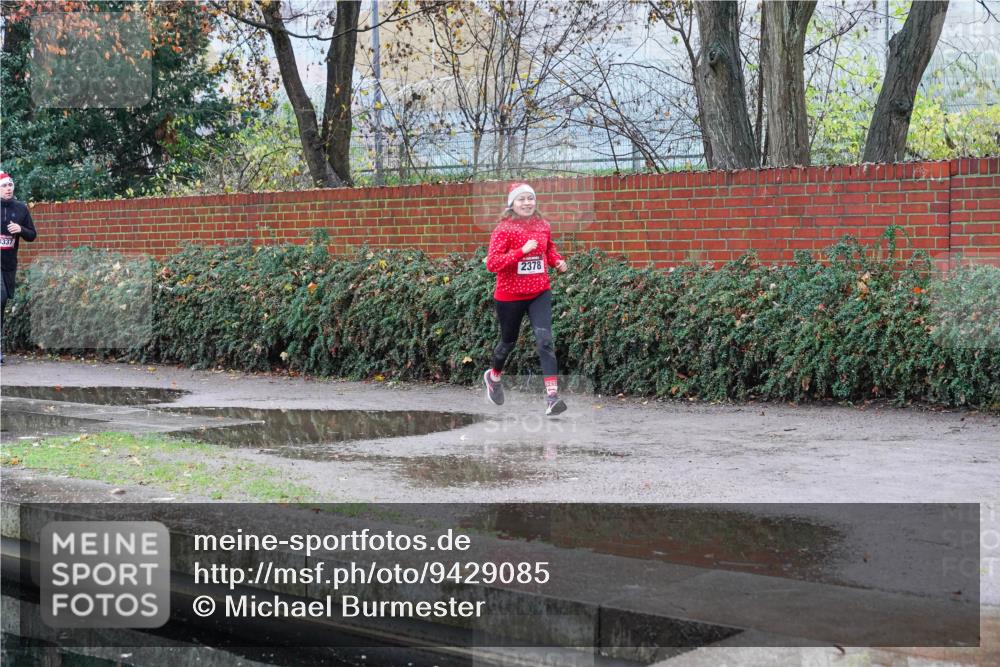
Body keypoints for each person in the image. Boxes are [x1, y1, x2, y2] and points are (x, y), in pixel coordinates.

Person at [483, 182, 568, 416]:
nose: (527, 203)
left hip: (539, 292)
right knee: (508, 343)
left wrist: (557, 261)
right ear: (512, 203)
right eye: (522, 199)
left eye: (530, 198)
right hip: (510, 295)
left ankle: (552, 398)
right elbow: (492, 263)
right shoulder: (504, 229)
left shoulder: (543, 225)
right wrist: (521, 251)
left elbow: (548, 250)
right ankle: (494, 377)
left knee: (545, 341)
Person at [1, 171, 37, 363]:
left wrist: (20, 229)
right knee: (0, 296)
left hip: (8, 264)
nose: (8, 188)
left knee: (2, 303)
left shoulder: (21, 209)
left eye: (10, 185)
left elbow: (32, 235)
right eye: (4, 186)